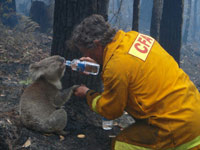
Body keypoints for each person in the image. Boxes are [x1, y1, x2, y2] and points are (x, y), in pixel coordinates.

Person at [70, 14, 200, 150]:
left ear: (97, 44)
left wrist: (88, 94)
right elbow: (128, 69)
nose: (87, 57)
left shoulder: (116, 66)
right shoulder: (134, 38)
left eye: (87, 53)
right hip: (194, 113)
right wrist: (100, 64)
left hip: (177, 129)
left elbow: (111, 111)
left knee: (122, 144)